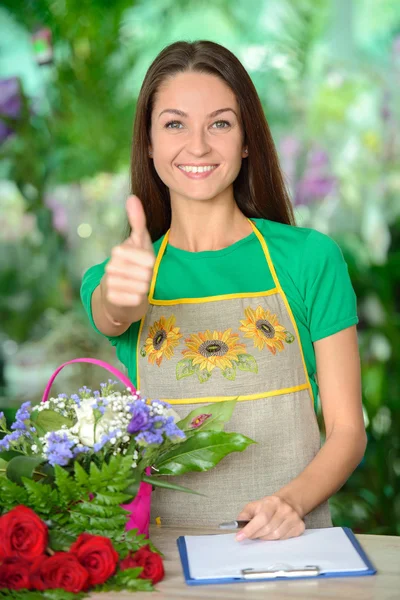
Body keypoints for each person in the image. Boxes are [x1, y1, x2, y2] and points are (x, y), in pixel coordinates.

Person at [81, 40, 367, 542]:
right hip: (162, 564)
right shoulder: (123, 273)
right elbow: (113, 311)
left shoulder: (309, 259)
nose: (198, 146)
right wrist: (120, 296)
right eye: (174, 124)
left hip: (293, 551)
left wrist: (288, 504)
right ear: (148, 143)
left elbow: (347, 431)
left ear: (246, 140)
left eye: (220, 123)